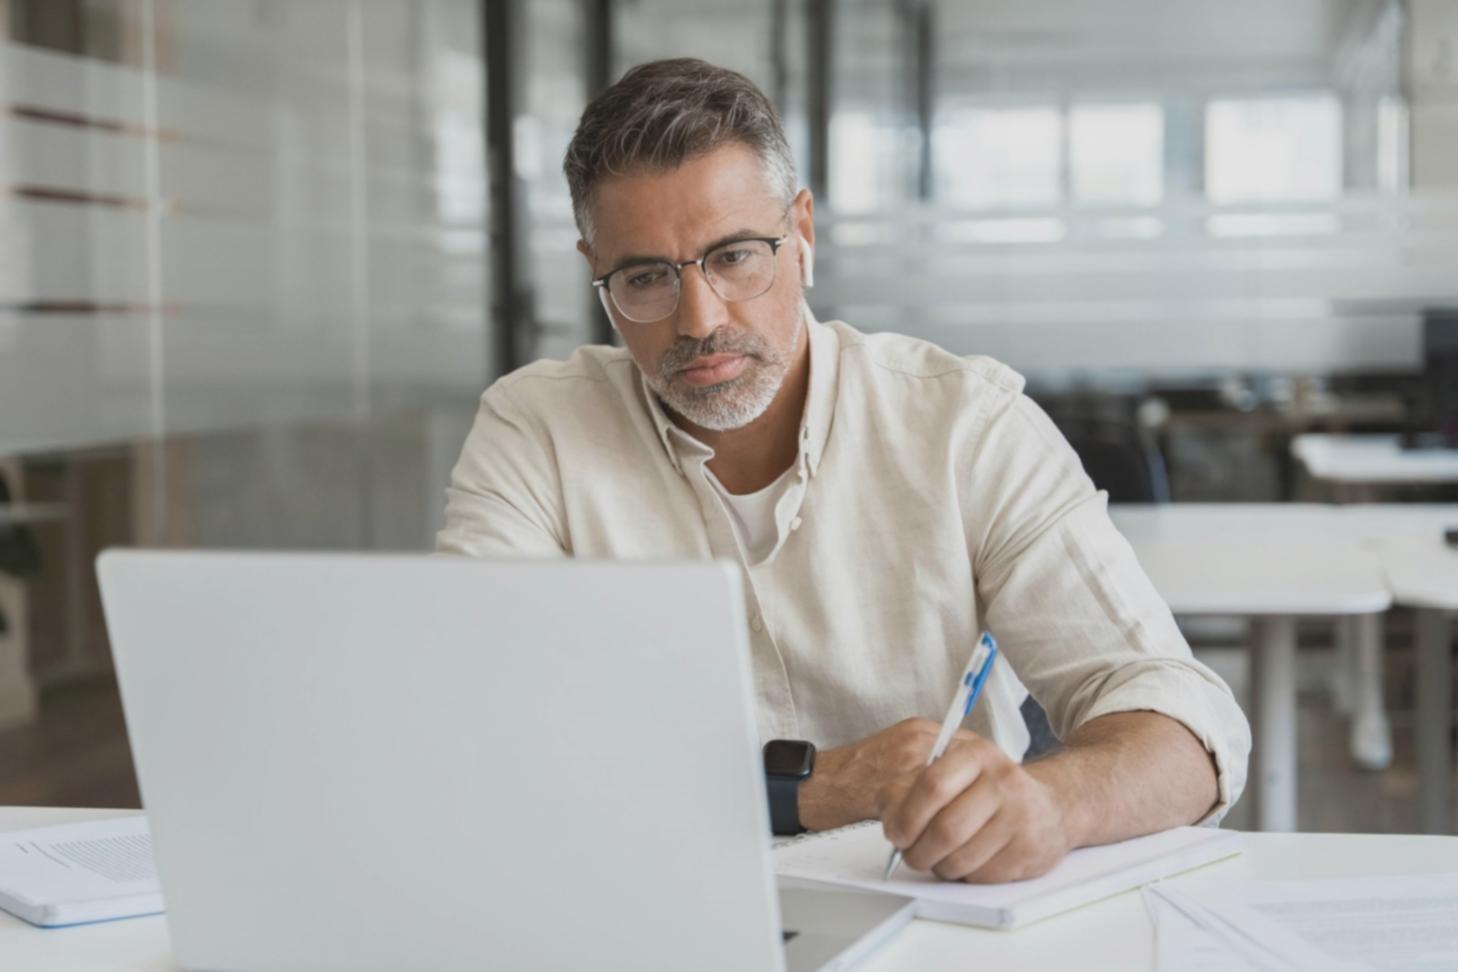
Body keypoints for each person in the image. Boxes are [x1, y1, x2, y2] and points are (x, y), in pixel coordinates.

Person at [438, 58, 1250, 884]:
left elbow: (1187, 726)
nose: (701, 319)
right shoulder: (536, 431)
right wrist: (820, 788)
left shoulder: (962, 424)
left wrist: (1053, 805)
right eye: (646, 277)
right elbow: (471, 734)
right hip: (637, 900)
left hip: (931, 914)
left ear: (804, 234)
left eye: (734, 256)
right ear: (595, 275)